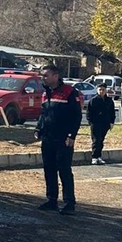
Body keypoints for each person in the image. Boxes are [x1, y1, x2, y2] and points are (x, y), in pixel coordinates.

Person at [35, 64, 82, 215]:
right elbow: (44, 114)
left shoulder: (69, 92)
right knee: (49, 169)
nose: (43, 78)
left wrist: (71, 135)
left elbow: (77, 116)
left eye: (46, 75)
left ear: (55, 76)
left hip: (63, 139)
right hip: (48, 138)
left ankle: (69, 203)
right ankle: (52, 200)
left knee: (64, 170)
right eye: (42, 75)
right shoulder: (45, 93)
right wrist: (38, 128)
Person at [86, 83, 115, 165]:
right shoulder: (93, 100)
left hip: (105, 123)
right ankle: (94, 157)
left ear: (106, 90)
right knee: (96, 140)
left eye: (103, 90)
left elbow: (112, 112)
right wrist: (91, 122)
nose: (101, 91)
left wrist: (111, 122)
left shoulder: (109, 101)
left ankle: (99, 156)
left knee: (101, 140)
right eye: (100, 90)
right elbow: (89, 113)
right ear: (97, 90)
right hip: (95, 123)